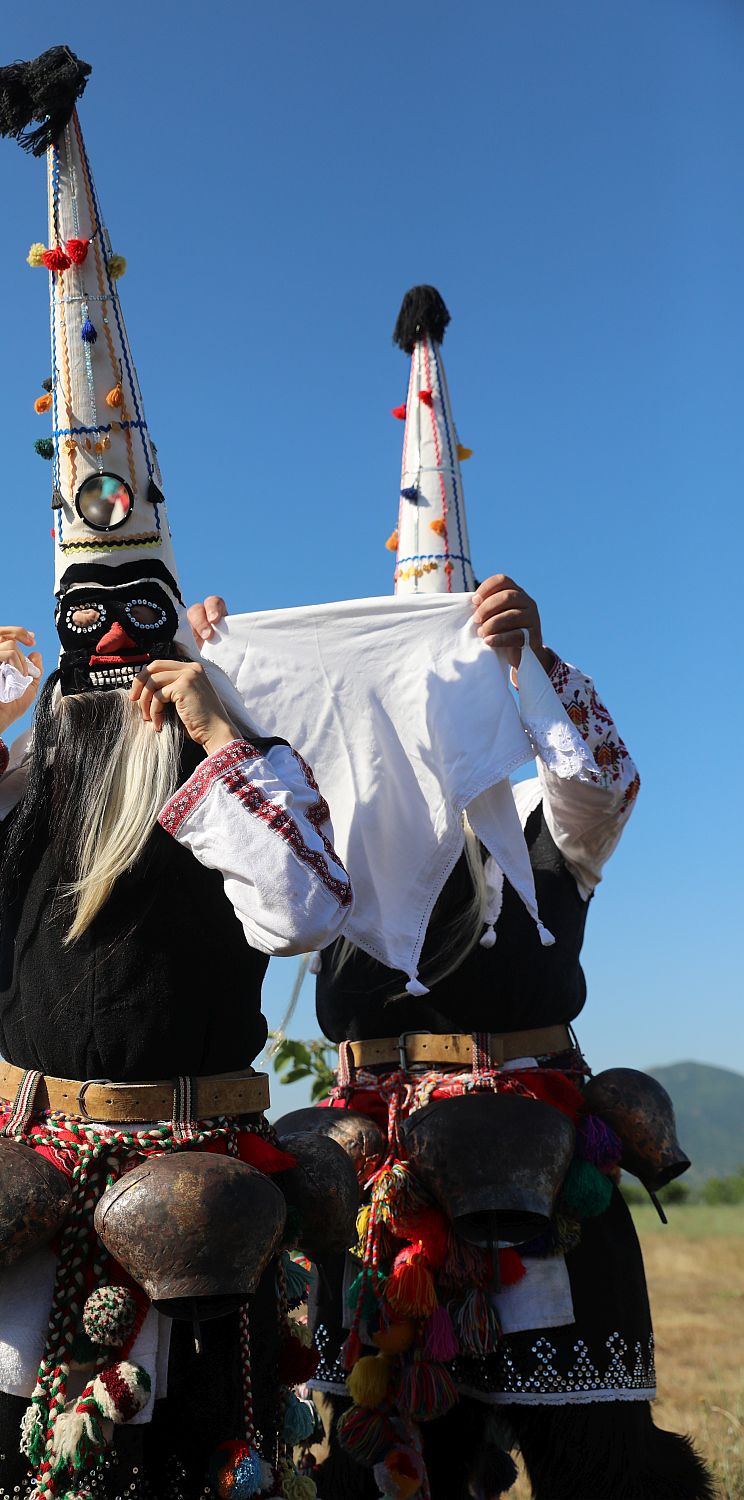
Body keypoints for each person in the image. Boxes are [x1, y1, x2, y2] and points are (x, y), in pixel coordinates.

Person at [0, 49, 351, 1500]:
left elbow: (307, 916)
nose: (111, 644)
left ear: (181, 621)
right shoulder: (25, 758)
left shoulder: (250, 765)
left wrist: (227, 746)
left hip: (205, 1174)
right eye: (84, 624)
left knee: (197, 1457)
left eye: (139, 620)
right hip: (33, 1152)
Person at [187, 290, 711, 1499]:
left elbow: (609, 781)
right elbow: (251, 858)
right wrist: (222, 689)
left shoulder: (544, 820)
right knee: (389, 1459)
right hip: (379, 1175)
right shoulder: (321, 844)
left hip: (539, 1160)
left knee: (596, 1458)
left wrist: (533, 658)